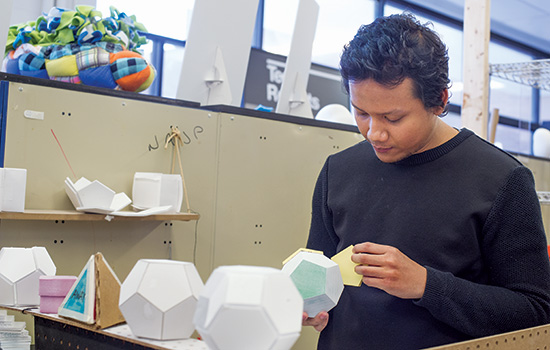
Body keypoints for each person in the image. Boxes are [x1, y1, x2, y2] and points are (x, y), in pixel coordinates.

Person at [303, 13, 550, 349]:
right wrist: (308, 303)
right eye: (361, 112)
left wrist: (426, 285)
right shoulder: (338, 170)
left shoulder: (503, 180)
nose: (374, 132)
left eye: (393, 117)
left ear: (440, 101)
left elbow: (534, 313)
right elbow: (318, 274)